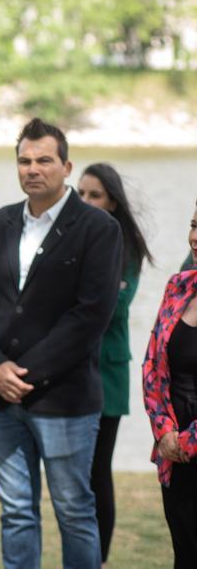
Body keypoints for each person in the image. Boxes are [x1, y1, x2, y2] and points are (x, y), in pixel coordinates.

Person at [0, 117, 121, 569]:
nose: (33, 169)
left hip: (65, 400)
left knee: (73, 511)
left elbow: (89, 316)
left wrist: (22, 374)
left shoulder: (98, 229)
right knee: (15, 513)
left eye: (44, 160)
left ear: (67, 166)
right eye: (24, 161)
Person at [78, 162, 152, 566]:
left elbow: (113, 306)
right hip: (70, 370)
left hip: (107, 372)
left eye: (95, 195)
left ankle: (99, 559)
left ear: (112, 202)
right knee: (72, 476)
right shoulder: (69, 237)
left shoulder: (127, 247)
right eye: (82, 193)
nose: (86, 201)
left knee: (97, 471)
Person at [143, 199, 197, 567]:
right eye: (194, 226)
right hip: (173, 452)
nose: (195, 238)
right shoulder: (178, 286)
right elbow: (153, 367)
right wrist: (164, 431)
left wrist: (190, 441)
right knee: (185, 553)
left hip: (187, 443)